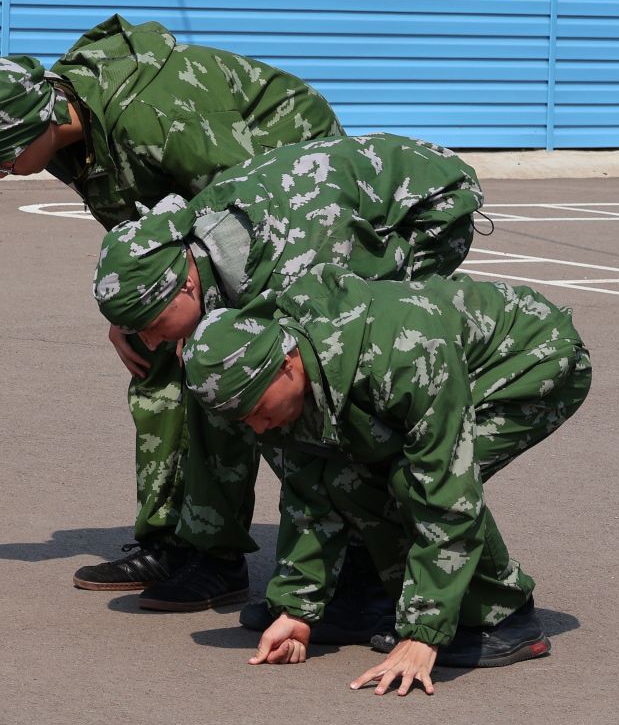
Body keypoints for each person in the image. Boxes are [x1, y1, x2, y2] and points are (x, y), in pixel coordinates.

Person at [0, 15, 342, 584]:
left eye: (4, 157)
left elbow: (245, 206)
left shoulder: (156, 113)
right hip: (217, 214)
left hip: (297, 200)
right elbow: (133, 221)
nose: (4, 173)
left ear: (45, 118)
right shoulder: (66, 132)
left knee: (223, 365)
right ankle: (169, 542)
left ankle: (215, 553)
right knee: (153, 357)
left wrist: (206, 313)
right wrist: (131, 308)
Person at [90, 132, 484, 616]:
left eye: (151, 325)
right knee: (223, 382)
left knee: (329, 396)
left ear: (187, 282)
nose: (149, 341)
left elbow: (331, 338)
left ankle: (369, 571)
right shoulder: (185, 247)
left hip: (427, 210)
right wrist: (129, 320)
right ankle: (217, 555)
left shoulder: (296, 265)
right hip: (329, 210)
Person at [182, 271, 592, 696]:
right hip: (447, 365)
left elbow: (447, 493)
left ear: (286, 364)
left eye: (255, 408)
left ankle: (505, 617)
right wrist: (296, 609)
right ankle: (369, 600)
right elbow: (308, 489)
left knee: (411, 481)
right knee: (347, 474)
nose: (255, 425)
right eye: (240, 419)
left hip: (533, 360)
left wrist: (423, 634)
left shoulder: (405, 354)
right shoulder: (293, 373)